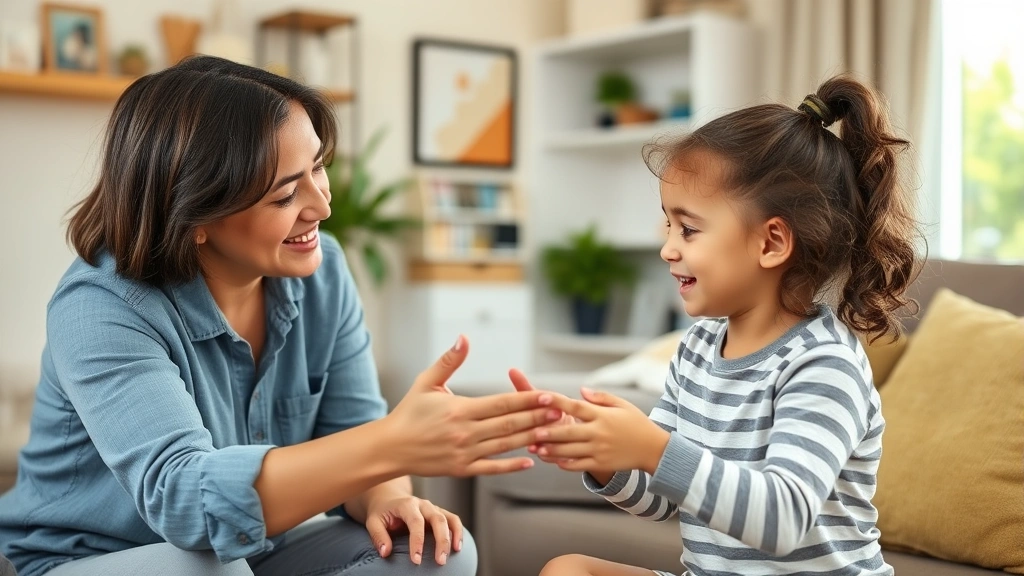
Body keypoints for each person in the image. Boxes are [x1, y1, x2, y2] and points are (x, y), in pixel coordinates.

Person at [0, 55, 562, 576]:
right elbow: (186, 503)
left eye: (318, 169)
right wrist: (394, 442)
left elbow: (354, 434)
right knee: (201, 568)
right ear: (194, 213)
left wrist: (391, 497)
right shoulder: (102, 305)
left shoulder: (323, 271)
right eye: (286, 194)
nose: (322, 204)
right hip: (88, 559)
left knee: (438, 555)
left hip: (251, 552)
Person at [514, 74, 920, 576]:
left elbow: (782, 518)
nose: (668, 247)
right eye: (667, 224)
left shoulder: (824, 364)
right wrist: (602, 453)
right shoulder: (699, 347)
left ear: (770, 243)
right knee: (568, 570)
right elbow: (663, 498)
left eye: (688, 228)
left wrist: (651, 445)